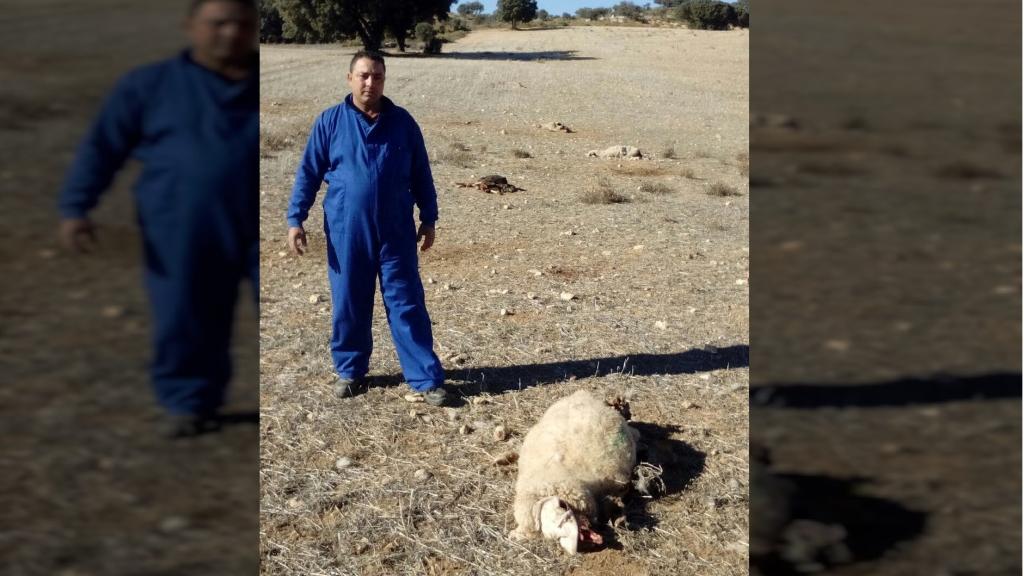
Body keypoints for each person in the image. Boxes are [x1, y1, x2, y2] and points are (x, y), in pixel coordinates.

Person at [58, 0, 259, 437]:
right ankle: (188, 401)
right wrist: (76, 206)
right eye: (218, 23)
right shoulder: (149, 85)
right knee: (184, 312)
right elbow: (102, 148)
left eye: (242, 23)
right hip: (180, 223)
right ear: (190, 26)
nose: (231, 32)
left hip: (262, 223)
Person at [286, 50, 450, 407]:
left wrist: (429, 217)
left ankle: (425, 378)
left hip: (396, 231)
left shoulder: (403, 123)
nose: (370, 83)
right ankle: (350, 370)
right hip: (347, 230)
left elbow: (421, 173)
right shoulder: (330, 122)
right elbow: (309, 173)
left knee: (406, 302)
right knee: (349, 301)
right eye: (363, 75)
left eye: (377, 76)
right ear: (350, 78)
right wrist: (296, 218)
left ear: (384, 80)